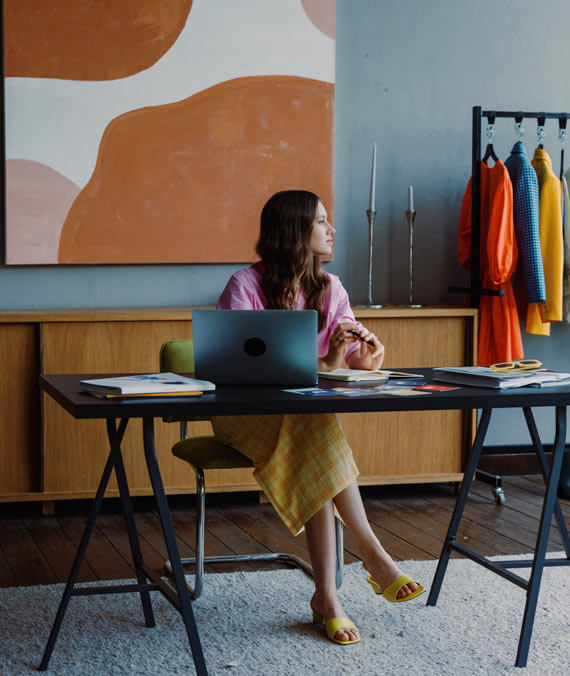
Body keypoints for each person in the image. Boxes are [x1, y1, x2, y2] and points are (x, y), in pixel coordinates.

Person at [212, 190, 424, 646]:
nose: (331, 230)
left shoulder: (332, 289)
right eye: (321, 222)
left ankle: (327, 596)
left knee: (312, 430)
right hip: (245, 414)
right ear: (294, 231)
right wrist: (326, 363)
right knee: (315, 426)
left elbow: (345, 362)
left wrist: (365, 357)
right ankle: (369, 551)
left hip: (303, 421)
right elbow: (239, 369)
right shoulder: (244, 286)